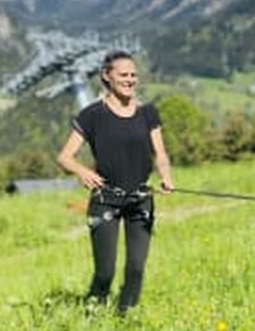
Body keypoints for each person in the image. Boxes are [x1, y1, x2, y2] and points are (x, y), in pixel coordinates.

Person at [57, 50, 174, 313]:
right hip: (105, 200)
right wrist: (82, 171)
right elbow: (64, 157)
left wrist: (165, 175)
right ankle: (92, 317)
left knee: (135, 269)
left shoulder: (148, 113)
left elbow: (161, 153)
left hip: (141, 199)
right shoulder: (92, 115)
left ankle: (124, 318)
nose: (130, 79)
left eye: (134, 74)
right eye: (124, 74)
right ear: (106, 76)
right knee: (105, 272)